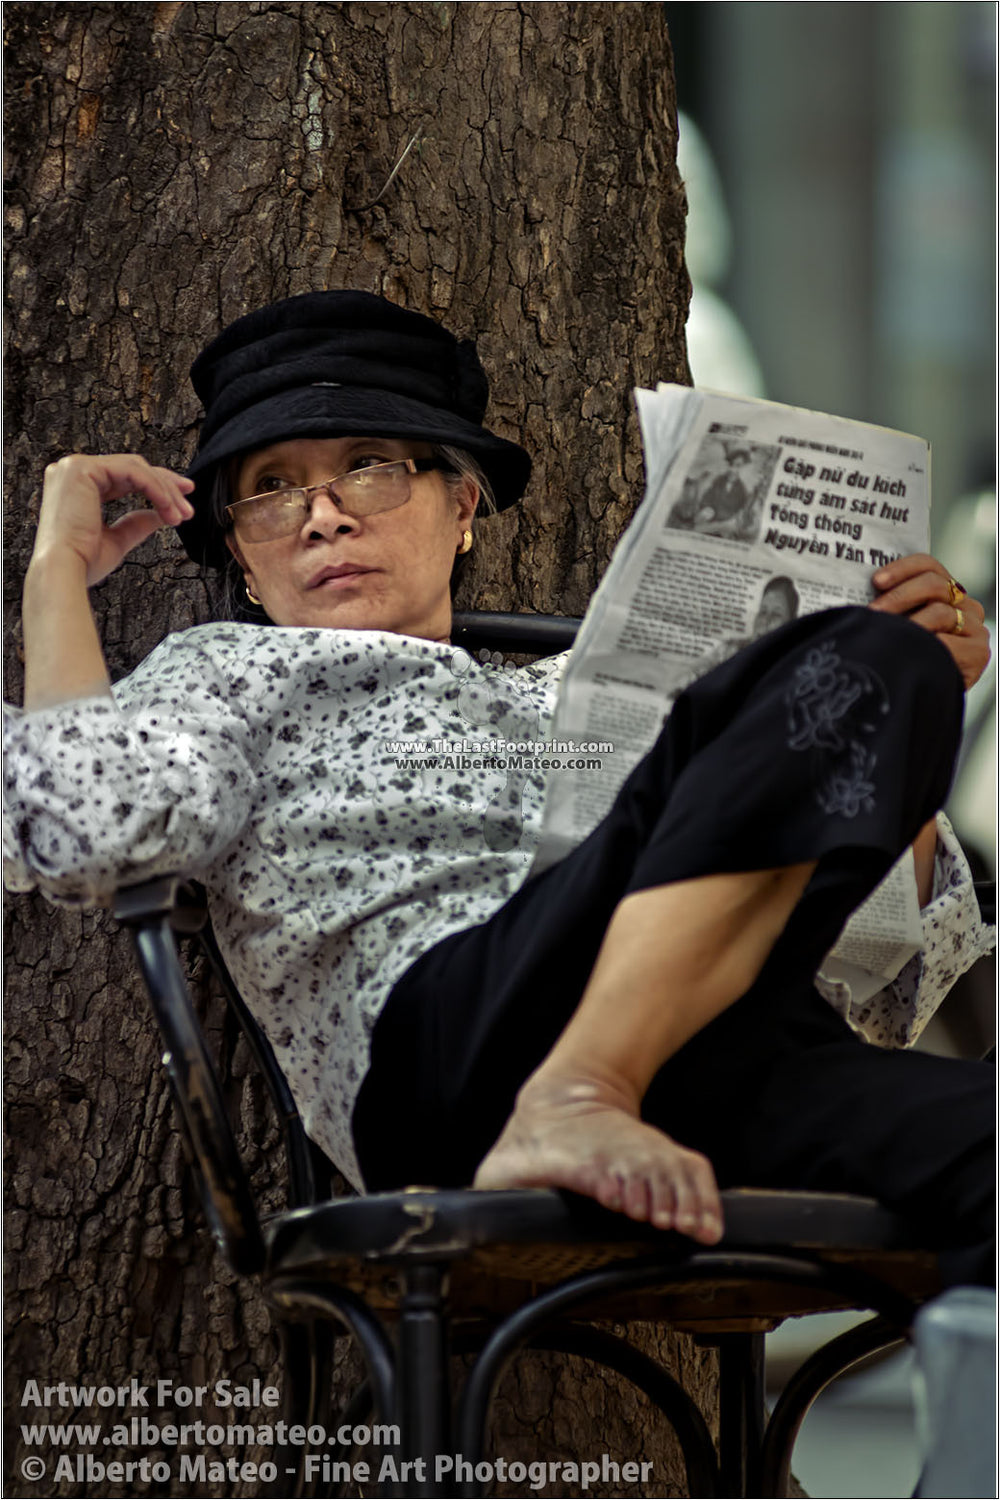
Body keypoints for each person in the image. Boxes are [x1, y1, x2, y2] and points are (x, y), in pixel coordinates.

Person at [4, 291, 994, 1282]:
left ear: (462, 506)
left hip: (718, 1047)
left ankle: (604, 1077)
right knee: (848, 657)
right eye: (269, 490)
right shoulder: (225, 673)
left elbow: (872, 981)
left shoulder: (585, 687)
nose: (320, 514)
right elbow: (79, 824)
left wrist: (902, 698)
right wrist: (56, 569)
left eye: (368, 467)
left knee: (882, 655)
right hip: (456, 1050)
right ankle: (574, 1090)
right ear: (244, 563)